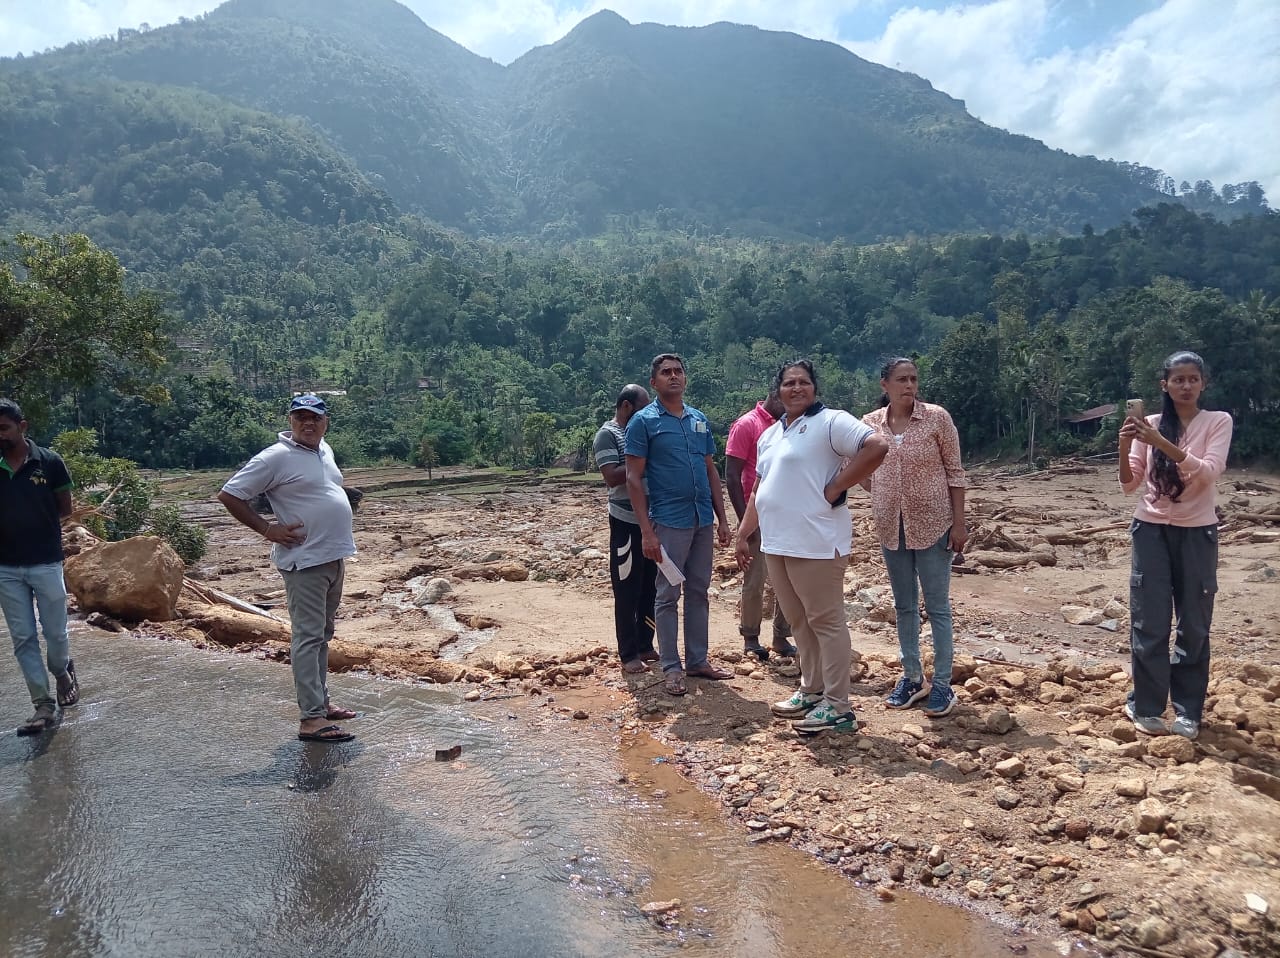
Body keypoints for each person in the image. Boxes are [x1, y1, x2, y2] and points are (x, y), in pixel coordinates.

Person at [735, 360, 888, 735]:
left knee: (827, 620)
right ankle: (811, 689)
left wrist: (836, 487)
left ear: (814, 389)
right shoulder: (770, 434)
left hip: (817, 542)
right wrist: (743, 533)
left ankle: (838, 706)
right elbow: (758, 488)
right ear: (778, 390)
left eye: (804, 382)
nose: (796, 388)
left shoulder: (832, 422)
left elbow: (876, 446)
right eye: (789, 383)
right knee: (799, 620)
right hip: (777, 543)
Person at [218, 394, 358, 743]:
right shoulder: (276, 456)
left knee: (321, 636)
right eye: (300, 418)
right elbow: (230, 494)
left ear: (326, 422)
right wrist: (268, 529)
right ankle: (311, 720)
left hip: (331, 557)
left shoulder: (324, 451)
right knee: (308, 638)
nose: (307, 424)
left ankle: (320, 704)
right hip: (305, 561)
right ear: (290, 421)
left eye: (315, 418)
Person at [1119, 350, 1232, 740]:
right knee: (1148, 621)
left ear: (1203, 383)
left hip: (1197, 531)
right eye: (1177, 379)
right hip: (1149, 529)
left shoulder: (1218, 421)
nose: (1185, 386)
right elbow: (1130, 482)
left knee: (1195, 623)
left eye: (1192, 379)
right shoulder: (1149, 424)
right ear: (1163, 385)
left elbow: (1208, 472)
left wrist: (1159, 442)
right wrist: (1127, 443)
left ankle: (1188, 711)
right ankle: (1146, 706)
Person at [861, 358, 968, 719]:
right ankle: (911, 677)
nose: (909, 385)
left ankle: (941, 684)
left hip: (935, 523)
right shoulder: (870, 425)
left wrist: (959, 523)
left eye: (914, 379)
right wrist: (878, 494)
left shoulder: (937, 418)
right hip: (892, 526)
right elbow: (858, 468)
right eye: (901, 380)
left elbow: (955, 473)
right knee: (904, 605)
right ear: (884, 385)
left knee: (937, 607)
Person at [625, 353, 734, 696]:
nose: (674, 377)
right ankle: (672, 666)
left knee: (699, 590)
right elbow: (632, 478)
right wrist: (646, 530)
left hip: (701, 518)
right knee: (668, 593)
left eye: (678, 371)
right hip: (669, 522)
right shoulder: (644, 422)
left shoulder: (698, 419)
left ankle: (698, 660)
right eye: (666, 373)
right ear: (654, 382)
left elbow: (710, 469)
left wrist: (722, 518)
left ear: (686, 379)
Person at [0, 399, 79, 736]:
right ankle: (42, 705)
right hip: (5, 566)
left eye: (4, 428)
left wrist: (37, 528)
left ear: (22, 426)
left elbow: (65, 508)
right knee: (23, 638)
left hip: (46, 562)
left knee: (56, 633)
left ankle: (61, 671)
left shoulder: (49, 462)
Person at [593, 384, 659, 674]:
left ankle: (646, 644)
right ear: (627, 407)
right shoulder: (608, 435)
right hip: (625, 521)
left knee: (650, 588)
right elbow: (611, 477)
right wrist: (642, 464)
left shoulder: (640, 432)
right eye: (643, 409)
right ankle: (628, 653)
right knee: (627, 589)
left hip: (651, 521)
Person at [726, 389, 795, 661]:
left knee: (788, 581)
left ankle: (781, 636)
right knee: (755, 579)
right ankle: (751, 637)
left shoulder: (790, 425)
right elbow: (732, 476)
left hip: (786, 515)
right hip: (757, 515)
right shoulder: (747, 424)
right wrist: (745, 521)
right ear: (774, 395)